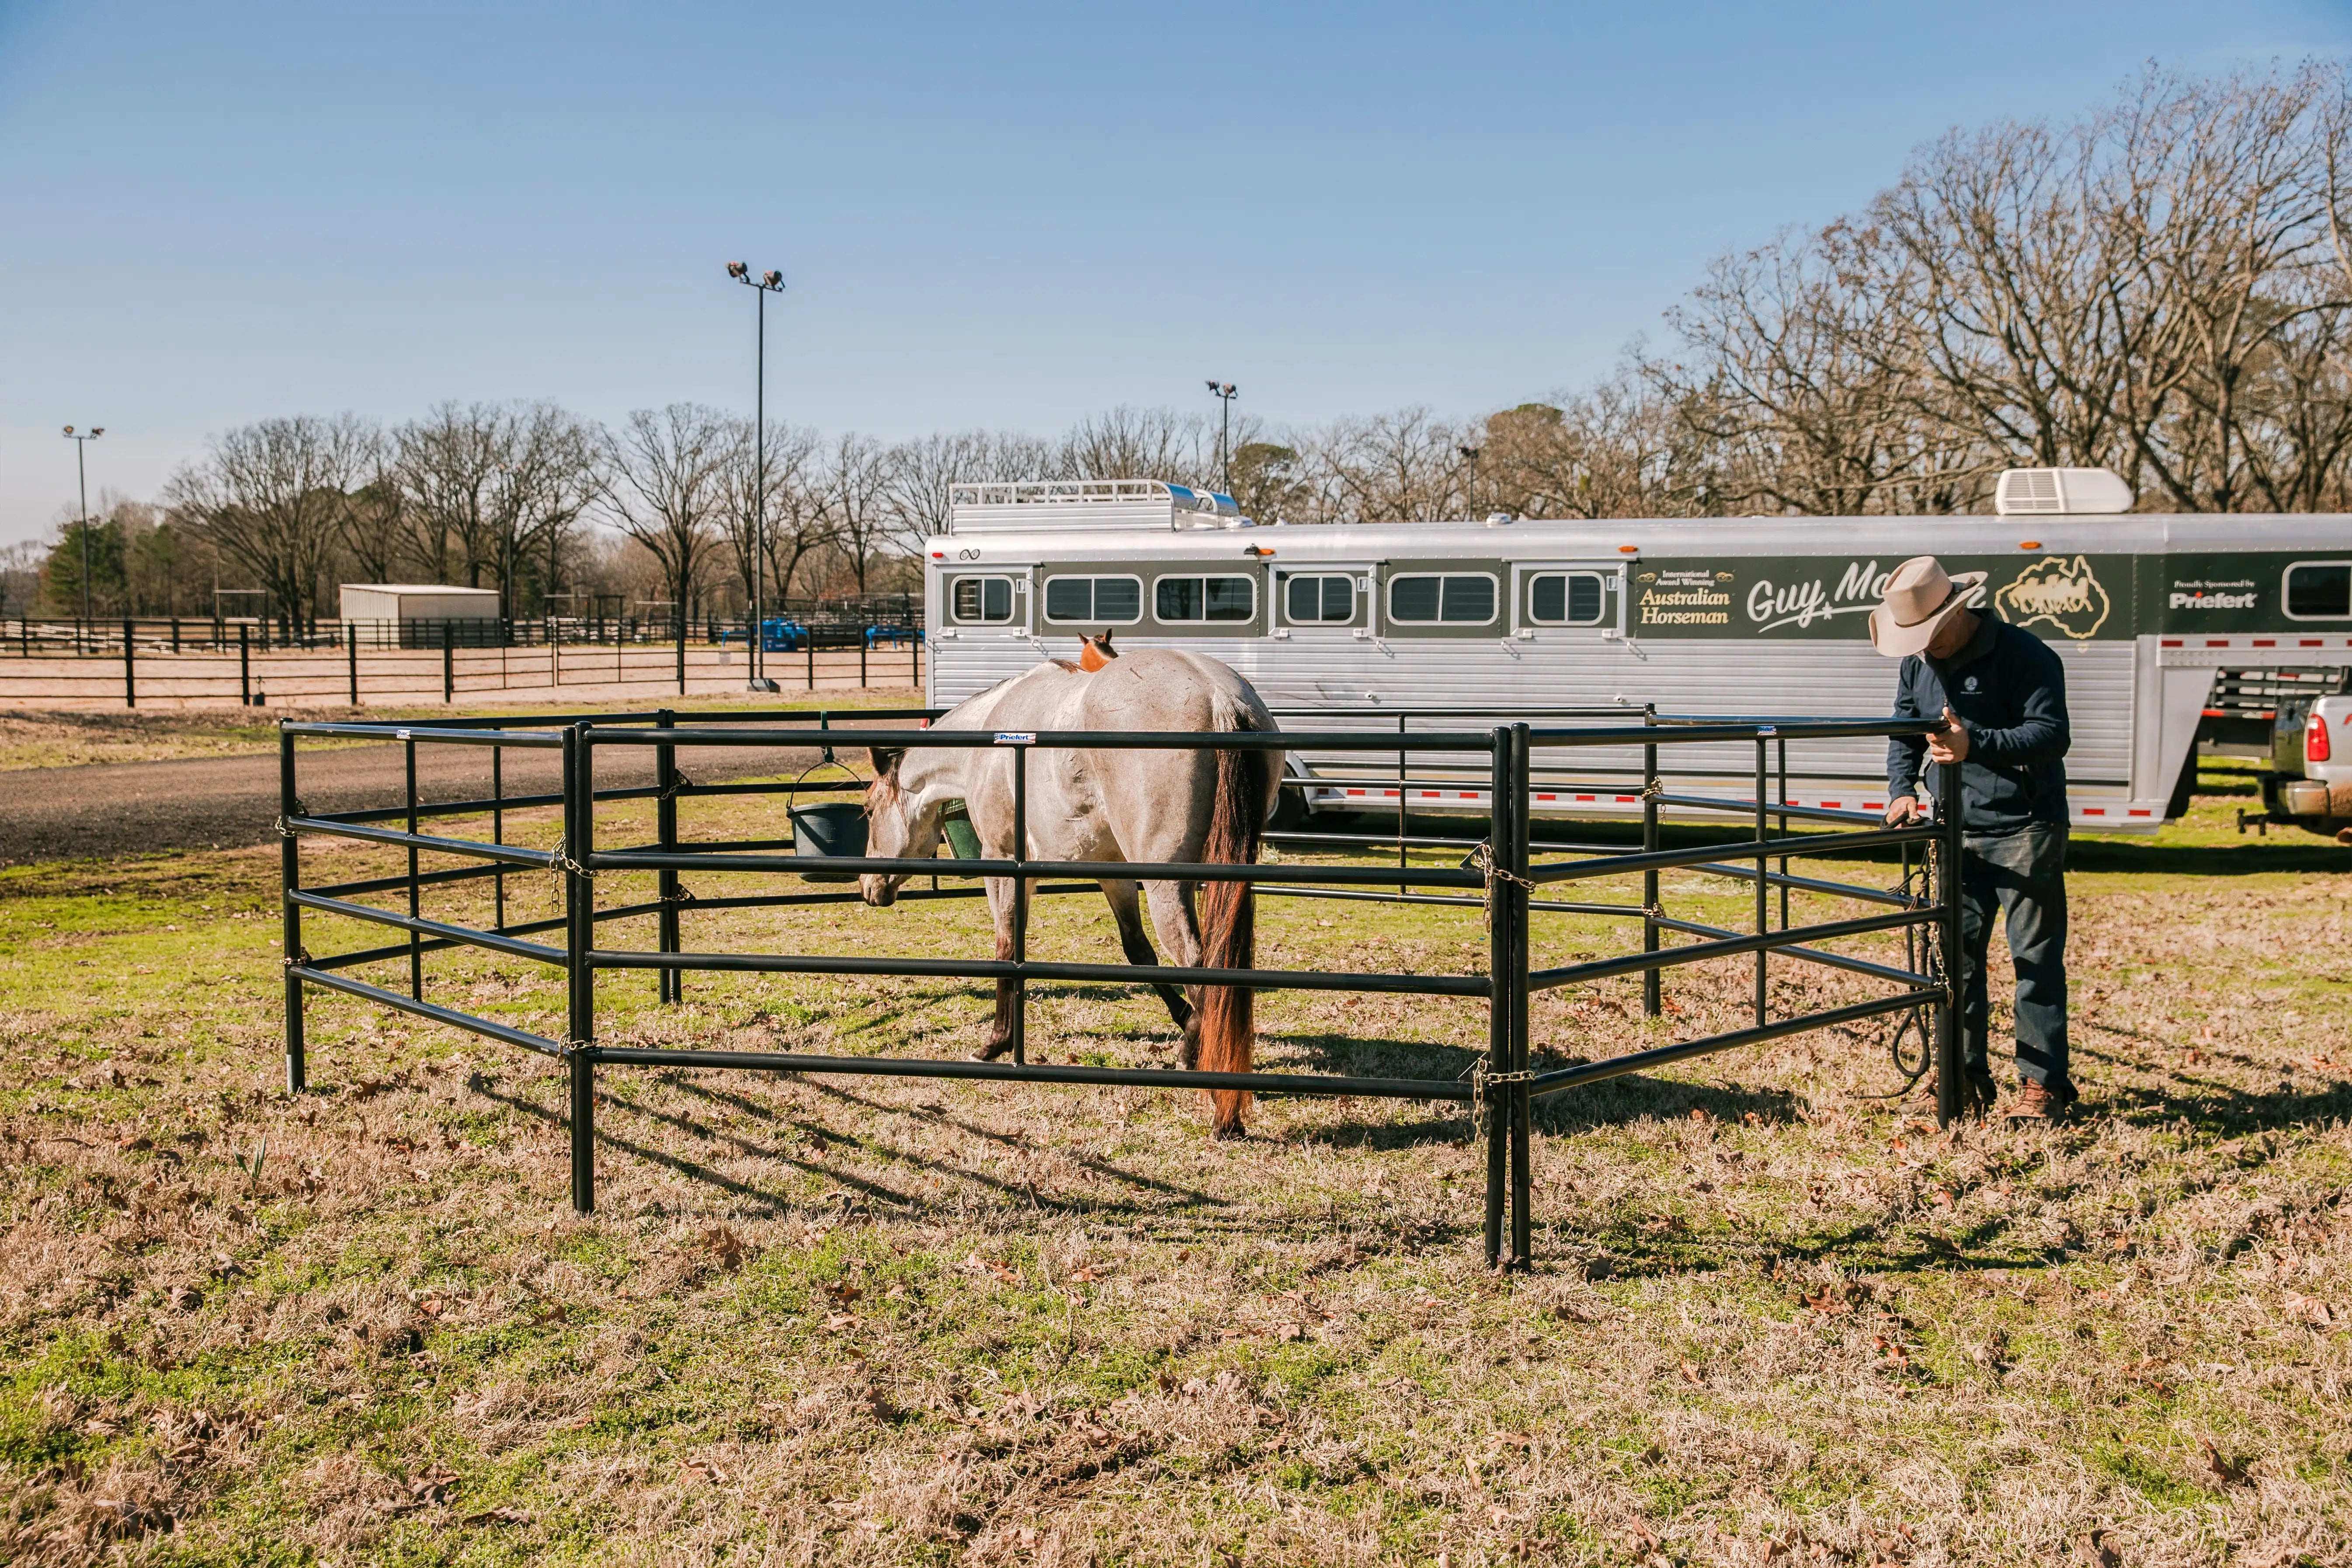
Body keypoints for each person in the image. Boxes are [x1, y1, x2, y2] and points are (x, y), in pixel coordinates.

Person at [1873, 555, 2077, 1121]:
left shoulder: (2025, 655)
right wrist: (1902, 788)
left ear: (1956, 612)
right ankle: (1961, 1076)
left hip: (2024, 825)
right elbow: (1904, 729)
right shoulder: (1916, 665)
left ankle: (2042, 1085)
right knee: (1953, 961)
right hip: (1953, 828)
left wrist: (1974, 744)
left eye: (1928, 632)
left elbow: (2050, 734)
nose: (1923, 645)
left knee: (2034, 960)